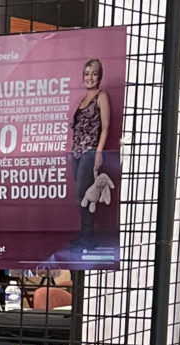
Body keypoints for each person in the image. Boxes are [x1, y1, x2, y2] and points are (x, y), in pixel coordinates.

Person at [69, 58, 112, 251]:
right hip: (76, 152)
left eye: (94, 73)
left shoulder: (101, 97)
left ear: (100, 76)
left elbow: (106, 126)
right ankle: (84, 234)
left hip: (90, 151)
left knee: (84, 193)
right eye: (87, 73)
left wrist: (99, 152)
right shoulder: (81, 100)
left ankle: (89, 236)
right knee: (81, 196)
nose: (90, 77)